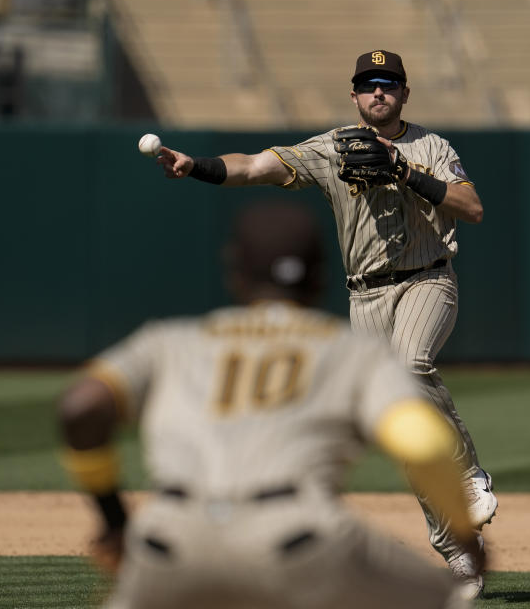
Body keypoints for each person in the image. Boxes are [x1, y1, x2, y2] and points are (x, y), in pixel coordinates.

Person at [153, 49, 496, 598]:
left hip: (426, 278)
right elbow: (257, 166)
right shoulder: (334, 148)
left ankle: (470, 476)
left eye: (388, 83)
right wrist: (195, 166)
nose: (378, 92)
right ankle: (457, 551)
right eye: (368, 84)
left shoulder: (432, 147)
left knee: (410, 366)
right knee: (396, 425)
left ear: (405, 92)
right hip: (365, 297)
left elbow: (471, 208)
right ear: (354, 95)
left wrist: (404, 171)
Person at [58, 201, 484, 609]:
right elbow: (423, 442)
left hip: (166, 540)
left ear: (235, 274)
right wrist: (465, 539)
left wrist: (115, 522)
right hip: (297, 538)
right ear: (320, 277)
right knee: (438, 597)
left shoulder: (167, 342)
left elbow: (80, 408)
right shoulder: (353, 352)